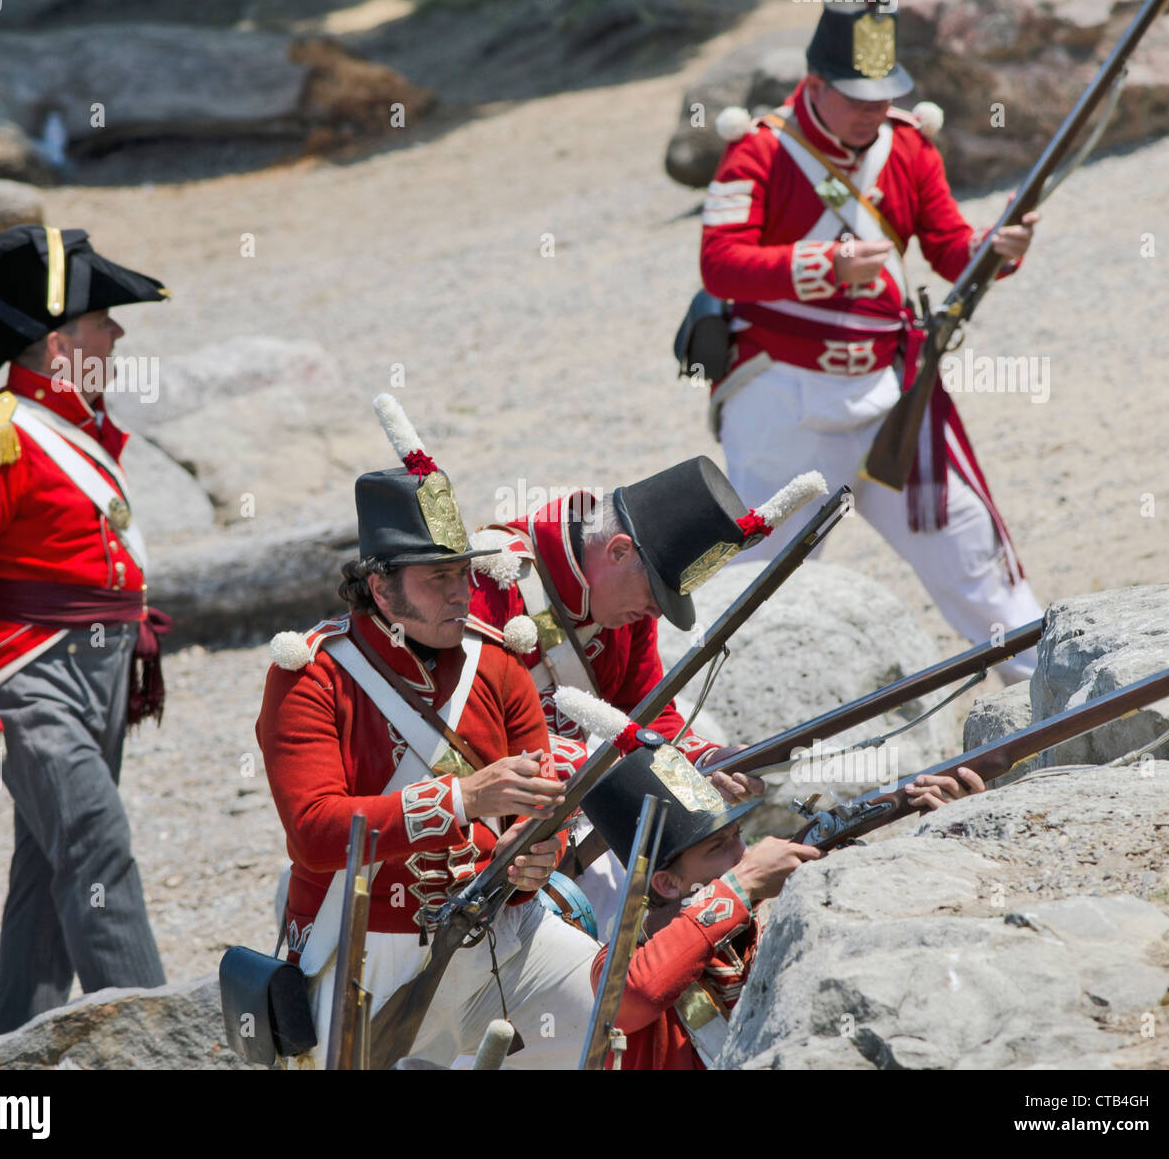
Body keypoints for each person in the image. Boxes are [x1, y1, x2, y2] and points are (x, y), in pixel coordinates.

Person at [699, 0, 1043, 683]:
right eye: (857, 97)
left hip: (889, 390)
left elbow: (950, 250)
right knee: (755, 589)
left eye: (884, 96)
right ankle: (720, 732)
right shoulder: (757, 152)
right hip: (782, 394)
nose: (872, 111)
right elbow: (719, 262)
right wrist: (820, 266)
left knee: (970, 550)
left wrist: (997, 249)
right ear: (816, 84)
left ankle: (1051, 693)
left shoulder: (909, 144)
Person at [257, 417, 600, 1069]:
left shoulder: (497, 660)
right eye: (436, 578)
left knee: (619, 1014)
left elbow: (542, 799)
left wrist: (536, 856)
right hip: (363, 954)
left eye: (462, 574)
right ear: (381, 587)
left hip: (502, 935)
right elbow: (315, 834)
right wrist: (462, 797)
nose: (459, 594)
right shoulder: (311, 675)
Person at [0, 224, 170, 1036]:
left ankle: (20, 1045)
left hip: (97, 672)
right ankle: (158, 1038)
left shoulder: (76, 425)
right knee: (97, 844)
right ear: (58, 343)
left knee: (49, 865)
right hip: (32, 677)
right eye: (101, 322)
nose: (117, 335)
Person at [463, 453, 824, 931]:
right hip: (480, 819)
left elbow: (649, 712)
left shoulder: (624, 605)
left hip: (566, 813)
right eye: (655, 591)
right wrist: (631, 773)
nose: (656, 613)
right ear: (617, 551)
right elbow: (467, 733)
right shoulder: (494, 579)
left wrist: (705, 763)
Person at [580, 738, 985, 1069]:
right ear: (667, 883)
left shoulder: (759, 926)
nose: (744, 853)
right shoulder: (614, 964)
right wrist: (743, 884)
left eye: (738, 836)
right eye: (719, 847)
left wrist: (950, 836)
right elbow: (637, 993)